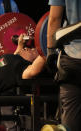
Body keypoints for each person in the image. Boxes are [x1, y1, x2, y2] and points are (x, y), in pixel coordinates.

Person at [47, 0, 81, 130]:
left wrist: (50, 52)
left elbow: (54, 18)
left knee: (70, 122)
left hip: (71, 58)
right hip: (71, 62)